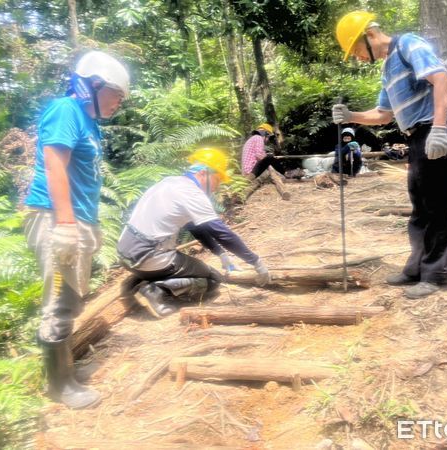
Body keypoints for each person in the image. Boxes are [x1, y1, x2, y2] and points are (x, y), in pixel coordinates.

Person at [24, 51, 130, 409]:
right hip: (55, 217)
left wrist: (89, 225)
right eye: (116, 93)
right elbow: (55, 164)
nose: (119, 102)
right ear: (94, 85)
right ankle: (59, 386)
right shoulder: (65, 110)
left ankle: (66, 371)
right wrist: (67, 224)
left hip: (76, 218)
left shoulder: (90, 125)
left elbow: (84, 179)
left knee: (70, 298)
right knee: (59, 302)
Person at [333, 11, 447, 299]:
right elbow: (382, 115)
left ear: (369, 36)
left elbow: (440, 79)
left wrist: (440, 129)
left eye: (355, 51)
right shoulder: (388, 69)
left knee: (437, 205)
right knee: (420, 205)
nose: (358, 58)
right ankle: (417, 267)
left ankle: (437, 274)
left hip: (437, 129)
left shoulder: (408, 44)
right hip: (416, 136)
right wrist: (350, 115)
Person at [117, 148, 271, 319]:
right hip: (148, 256)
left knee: (192, 269)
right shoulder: (192, 193)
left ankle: (140, 280)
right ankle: (157, 290)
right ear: (204, 173)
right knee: (213, 280)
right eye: (217, 179)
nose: (217, 187)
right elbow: (222, 233)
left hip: (125, 253)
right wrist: (256, 262)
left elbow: (196, 228)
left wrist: (220, 254)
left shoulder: (170, 182)